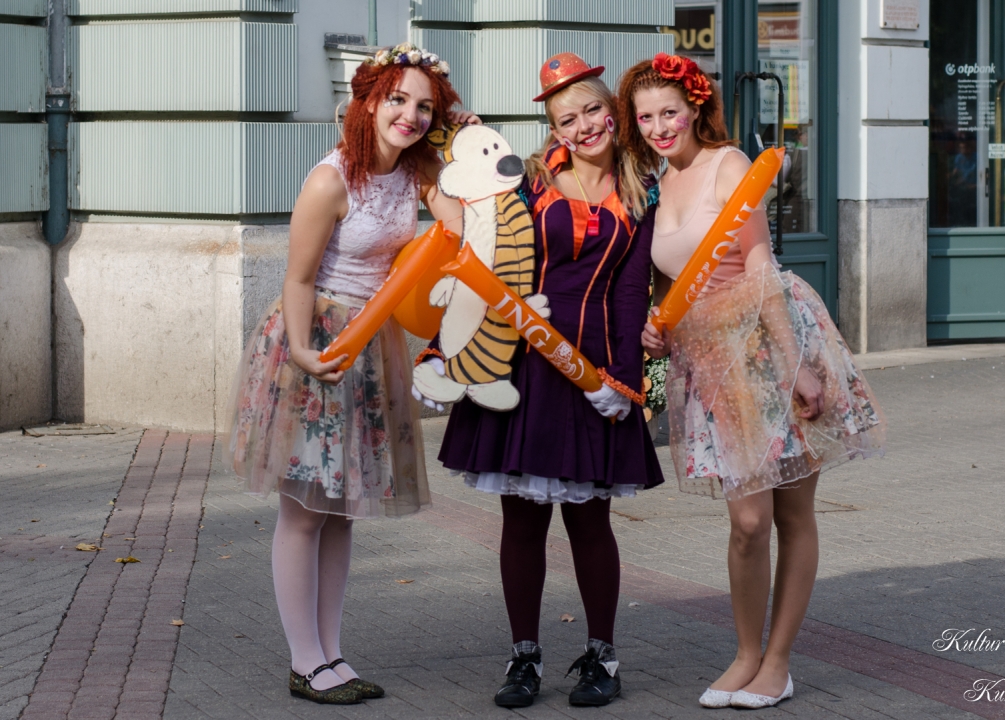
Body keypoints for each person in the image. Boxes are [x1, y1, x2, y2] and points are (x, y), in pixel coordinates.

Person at [619, 54, 886, 709]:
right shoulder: (655, 184)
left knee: (790, 514)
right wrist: (656, 324)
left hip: (769, 343)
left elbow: (759, 265)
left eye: (669, 112)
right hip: (710, 361)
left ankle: (777, 663)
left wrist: (796, 366)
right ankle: (744, 655)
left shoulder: (729, 164)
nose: (659, 127)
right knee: (746, 521)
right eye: (646, 117)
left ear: (694, 109)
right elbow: (672, 280)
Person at [227, 43, 478, 705]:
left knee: (341, 514)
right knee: (304, 512)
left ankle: (332, 654)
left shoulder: (420, 170)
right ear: (367, 101)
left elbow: (464, 227)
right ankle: (304, 661)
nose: (409, 116)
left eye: (424, 107)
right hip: (319, 343)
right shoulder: (329, 180)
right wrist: (305, 354)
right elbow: (298, 278)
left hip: (375, 344)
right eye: (397, 99)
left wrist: (463, 141)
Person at [416, 53, 663, 709]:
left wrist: (623, 382)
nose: (584, 127)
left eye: (592, 110)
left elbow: (631, 293)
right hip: (520, 368)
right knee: (521, 523)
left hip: (593, 374)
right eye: (567, 119)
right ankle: (523, 656)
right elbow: (481, 257)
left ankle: (602, 657)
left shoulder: (642, 190)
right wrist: (443, 352)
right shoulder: (527, 181)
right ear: (553, 130)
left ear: (611, 111)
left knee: (590, 522)